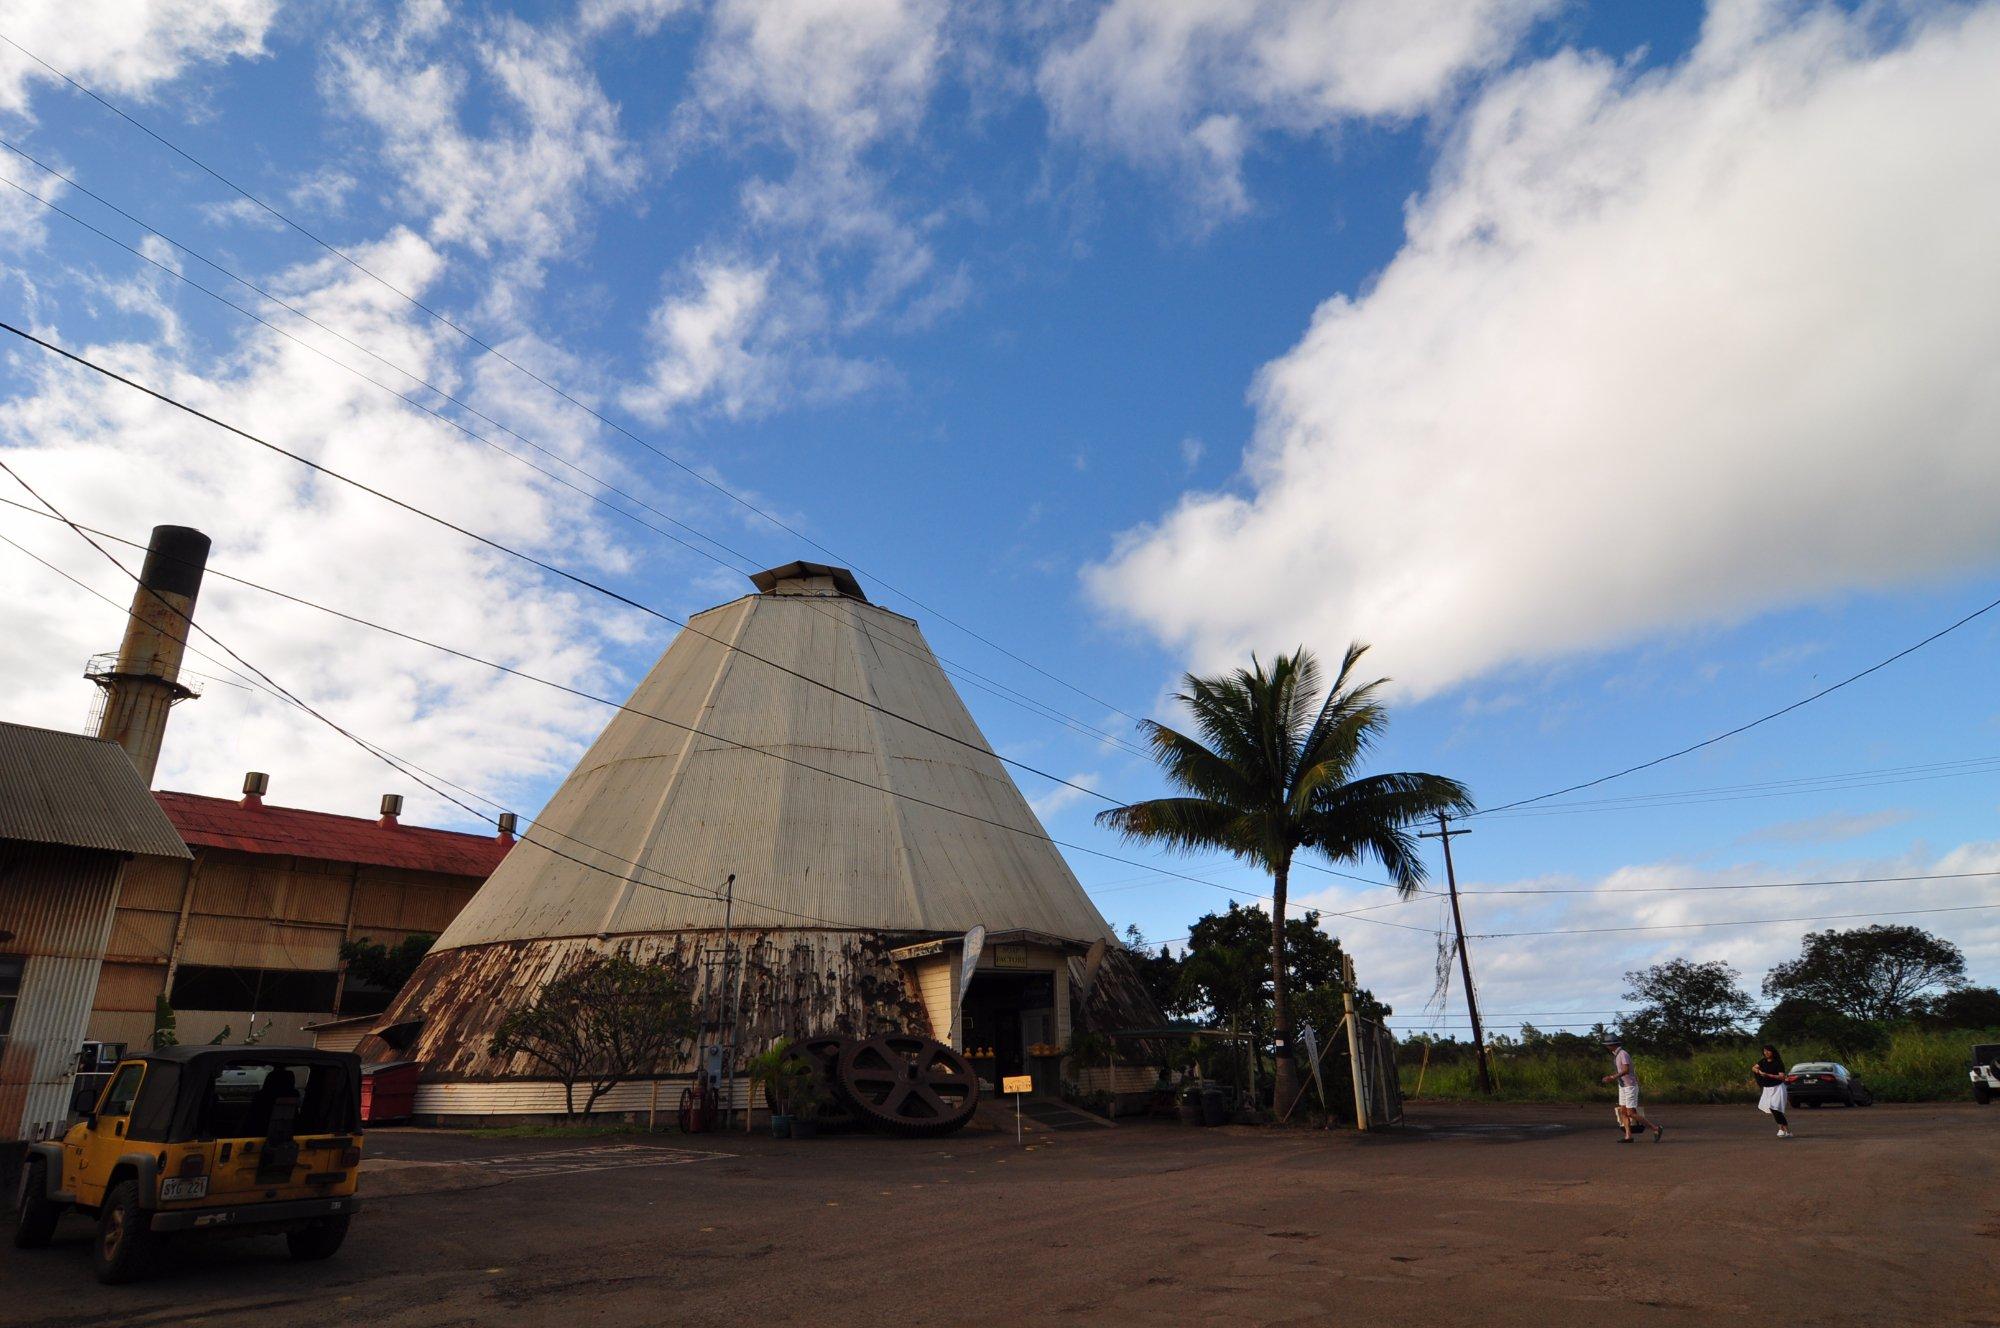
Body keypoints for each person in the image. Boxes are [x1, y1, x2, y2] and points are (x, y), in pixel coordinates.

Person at [1601, 1035, 1664, 1143]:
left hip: (1629, 1086)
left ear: (1612, 1045)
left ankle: (1655, 1128)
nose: (1607, 1047)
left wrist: (1612, 1077)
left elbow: (1626, 1069)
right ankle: (1628, 1136)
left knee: (1630, 1113)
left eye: (1608, 1045)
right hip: (1623, 1085)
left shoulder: (1623, 1054)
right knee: (1623, 1112)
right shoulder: (1617, 1055)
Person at [1753, 1044, 1795, 1138]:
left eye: (1768, 1051)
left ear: (1772, 1052)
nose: (1766, 1053)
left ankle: (1783, 1130)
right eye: (1764, 1051)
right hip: (1768, 1088)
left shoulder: (1778, 1062)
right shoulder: (1763, 1061)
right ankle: (1784, 1130)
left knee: (1776, 1108)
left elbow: (1782, 1076)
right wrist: (1760, 1072)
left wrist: (1768, 1075)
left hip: (1777, 1087)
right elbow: (1754, 1068)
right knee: (1772, 1108)